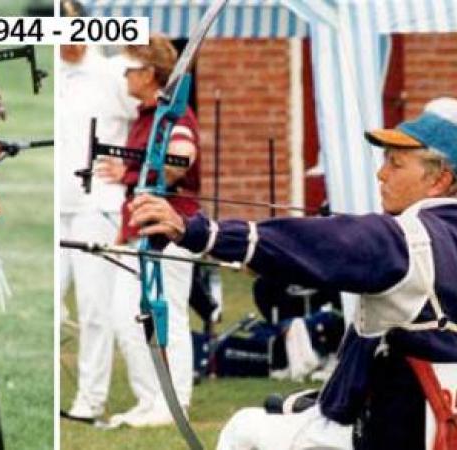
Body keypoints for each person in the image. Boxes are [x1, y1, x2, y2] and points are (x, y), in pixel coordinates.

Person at [129, 97, 457, 449]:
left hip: (395, 428)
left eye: (396, 164)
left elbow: (322, 243)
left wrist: (193, 231)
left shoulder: (408, 239)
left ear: (440, 180)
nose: (381, 174)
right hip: (424, 412)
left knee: (243, 429)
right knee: (290, 411)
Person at [95, 34, 200, 427]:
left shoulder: (174, 115)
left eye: (130, 69)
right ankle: (149, 398)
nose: (124, 77)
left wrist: (135, 168)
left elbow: (180, 161)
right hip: (140, 230)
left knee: (168, 315)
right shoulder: (145, 115)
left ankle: (176, 402)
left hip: (171, 230)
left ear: (150, 73)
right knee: (125, 316)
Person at [58, 0, 138, 423]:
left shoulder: (113, 74)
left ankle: (90, 400)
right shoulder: (51, 75)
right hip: (56, 206)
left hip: (98, 204)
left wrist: (130, 165)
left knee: (94, 308)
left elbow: (149, 118)